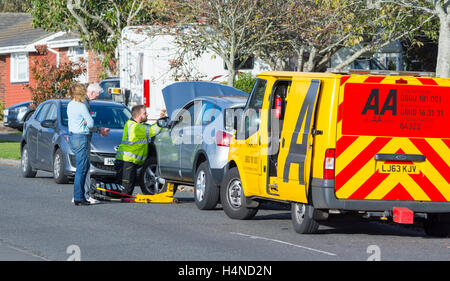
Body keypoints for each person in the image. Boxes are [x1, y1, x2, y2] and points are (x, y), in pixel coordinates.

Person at [115, 105, 166, 195]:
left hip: (127, 160)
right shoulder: (136, 127)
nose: (147, 114)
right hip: (128, 160)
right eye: (145, 113)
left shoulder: (133, 124)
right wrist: (161, 122)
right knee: (126, 188)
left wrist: (160, 118)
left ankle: (122, 198)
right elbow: (152, 131)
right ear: (139, 116)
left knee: (125, 187)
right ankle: (122, 200)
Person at [67, 84, 94, 206]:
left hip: (73, 136)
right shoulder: (81, 106)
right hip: (81, 137)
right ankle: (79, 197)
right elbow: (91, 123)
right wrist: (86, 122)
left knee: (82, 167)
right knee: (82, 168)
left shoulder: (70, 105)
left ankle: (81, 195)